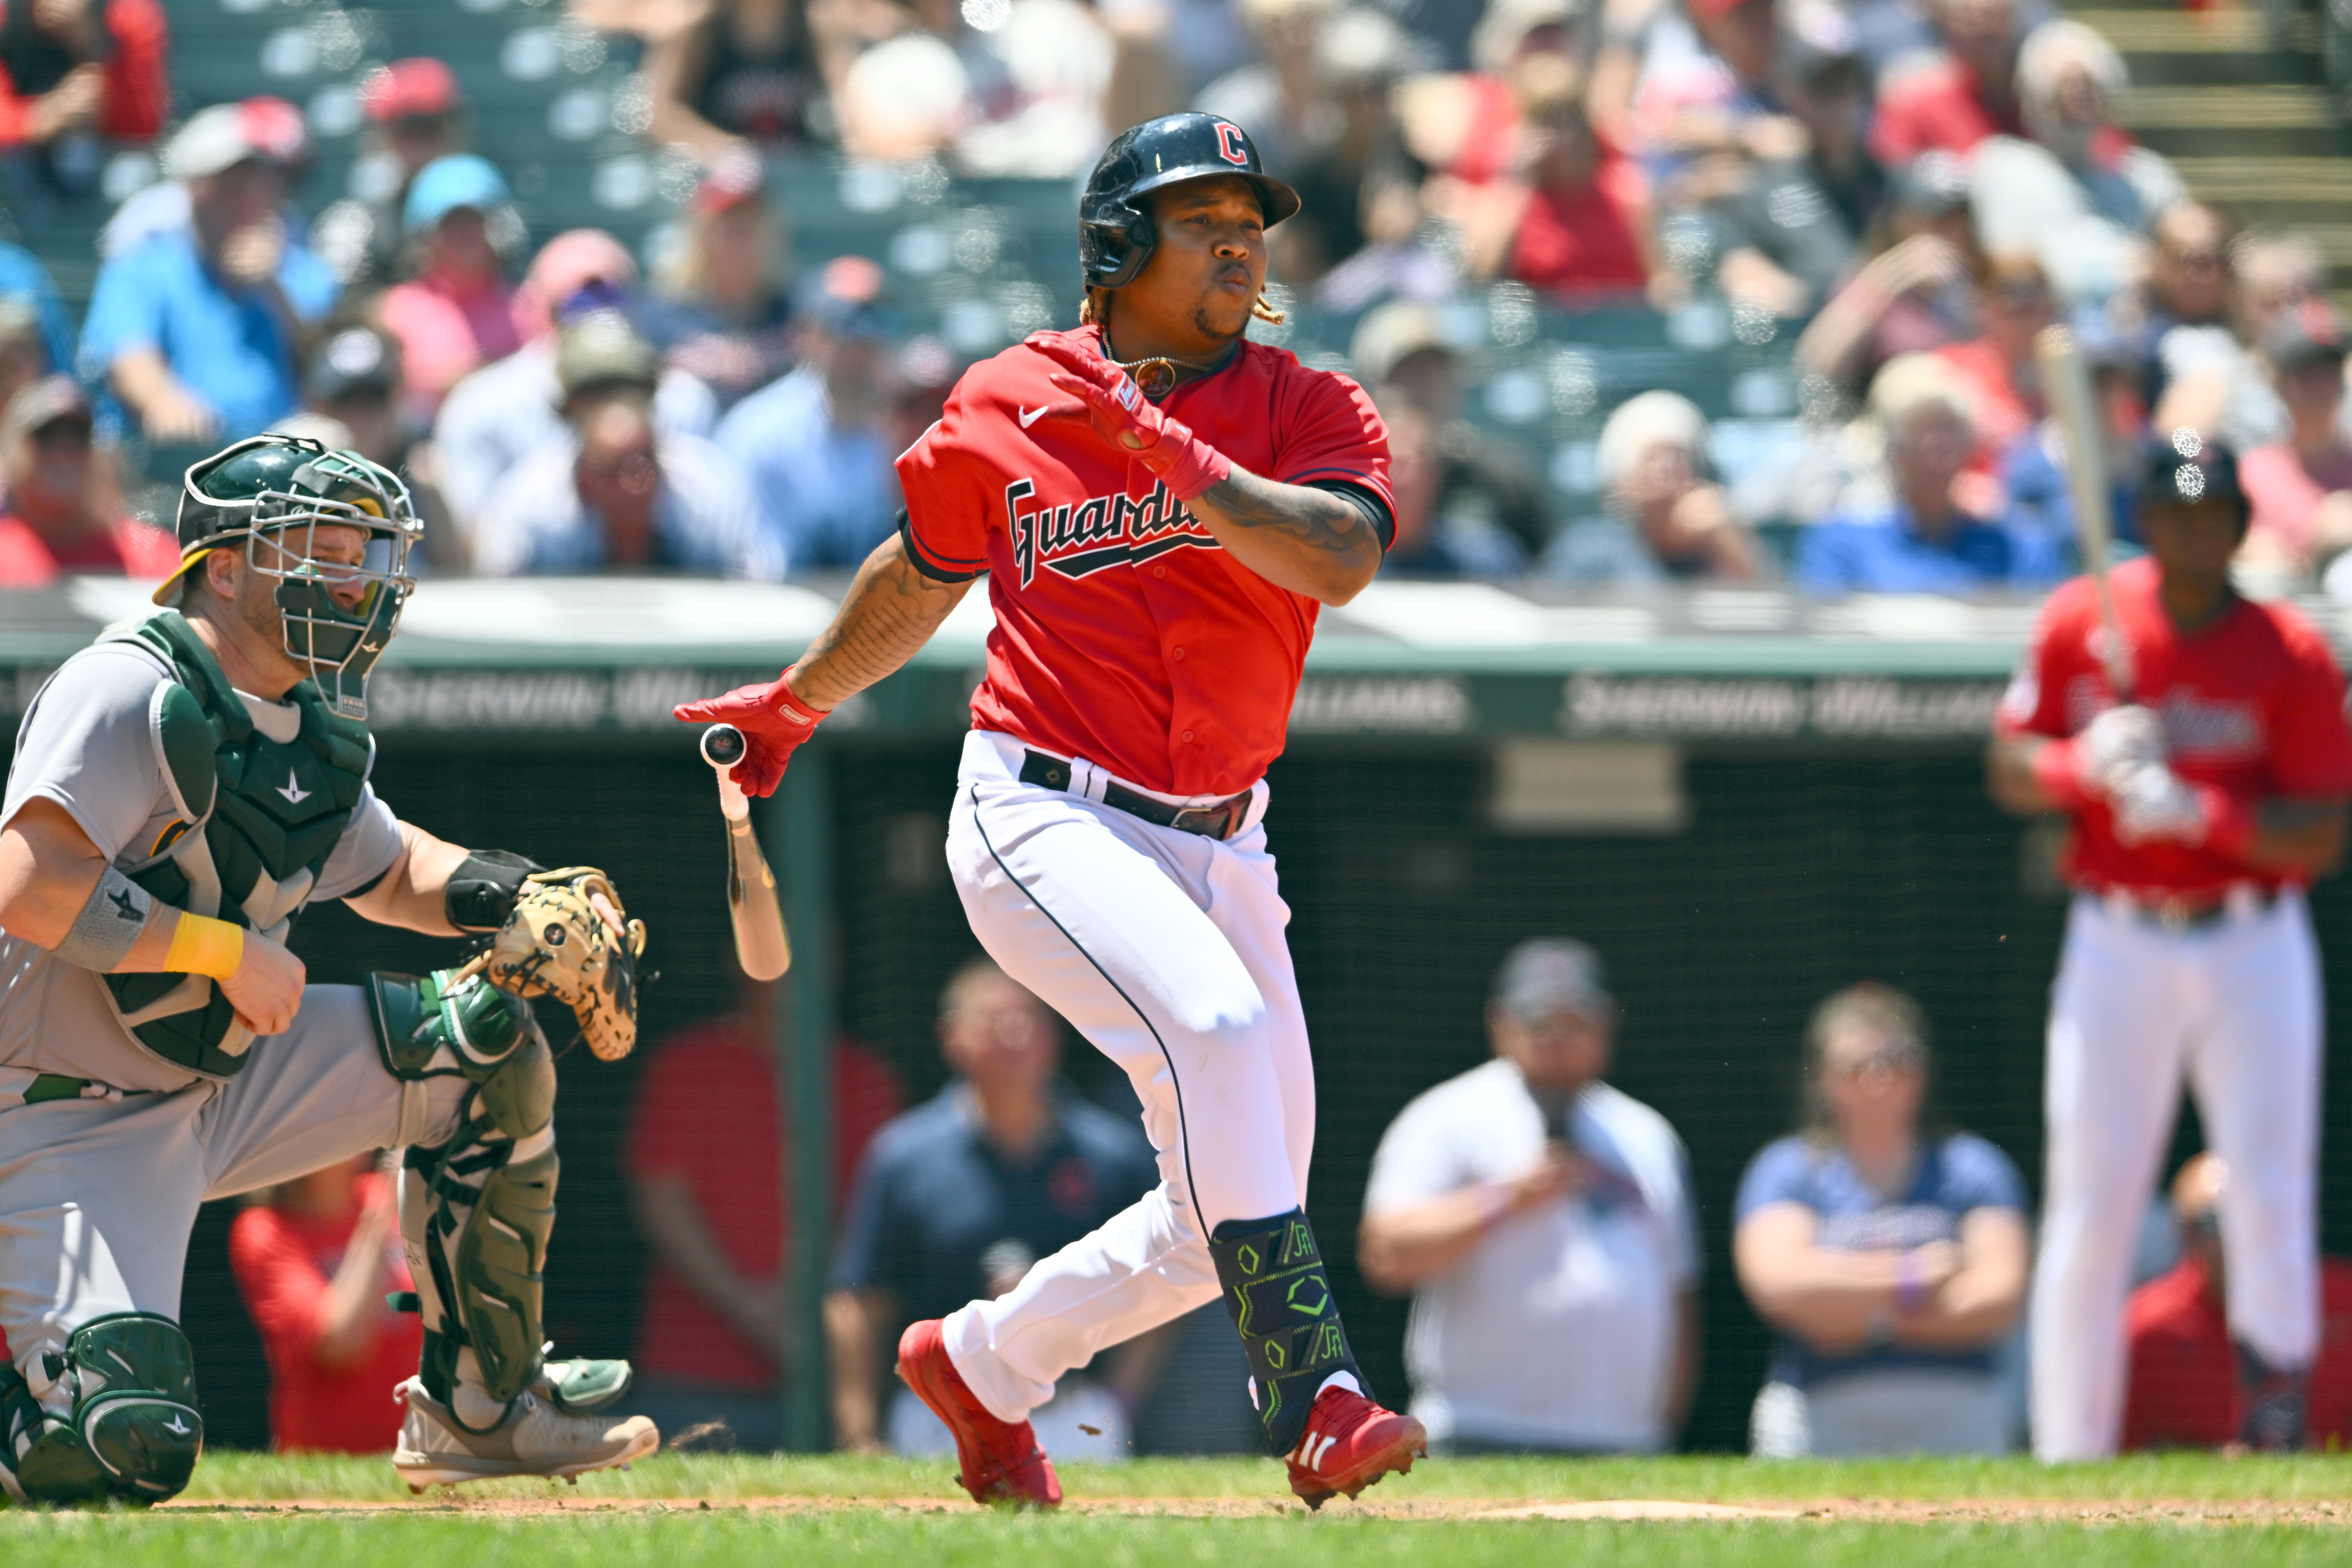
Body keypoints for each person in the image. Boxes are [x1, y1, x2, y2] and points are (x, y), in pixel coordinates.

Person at [676, 112, 1424, 1511]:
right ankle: (1316, 1395)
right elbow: (922, 565)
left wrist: (1168, 452)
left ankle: (981, 1362)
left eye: (1248, 222)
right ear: (1116, 242)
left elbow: (1336, 557)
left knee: (1228, 1207)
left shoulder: (1305, 404)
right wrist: (799, 698)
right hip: (1042, 809)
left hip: (1223, 834)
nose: (1237, 242)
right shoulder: (1013, 394)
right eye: (1201, 218)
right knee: (1214, 1030)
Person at [0, 431, 659, 1504]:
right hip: (60, 1109)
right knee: (120, 1445)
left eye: (363, 551)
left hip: (216, 1074)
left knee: (483, 1047)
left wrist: (518, 893)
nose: (352, 575)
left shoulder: (309, 721)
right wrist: (222, 952)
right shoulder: (128, 683)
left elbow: (391, 867)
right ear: (224, 565)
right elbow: (27, 884)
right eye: (321, 547)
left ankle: (478, 1407)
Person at [1987, 431, 2352, 1458]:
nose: (2198, 531)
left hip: (2254, 938)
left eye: (2215, 514)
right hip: (2118, 935)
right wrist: (2083, 767)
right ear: (2145, 518)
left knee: (2270, 1183)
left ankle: (2276, 1427)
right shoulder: (2080, 620)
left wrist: (2201, 809)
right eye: (2178, 512)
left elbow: (2321, 829)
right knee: (2092, 1195)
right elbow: (2008, 763)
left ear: (2241, 522)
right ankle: (2069, 1448)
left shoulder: (2291, 650)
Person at [1357, 940, 1699, 1455]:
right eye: (1541, 1021)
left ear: (1605, 1025)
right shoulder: (1449, 1115)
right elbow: (1385, 1253)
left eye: (1576, 1021)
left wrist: (1662, 1423)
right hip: (1480, 1432)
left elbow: (1678, 1290)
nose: (1559, 1039)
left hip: (1626, 1441)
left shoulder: (1646, 1133)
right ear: (1500, 1023)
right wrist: (1502, 1199)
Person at [827, 958, 1163, 1459]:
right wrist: (859, 1433)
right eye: (994, 1022)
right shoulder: (904, 1156)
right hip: (937, 1416)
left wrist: (1118, 1398)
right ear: (950, 1038)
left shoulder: (1114, 1154)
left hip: (1075, 1415)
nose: (1015, 1036)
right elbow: (857, 1300)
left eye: (1030, 1020)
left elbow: (1159, 1281)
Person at [1733, 983, 2030, 1457]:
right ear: (1823, 1077)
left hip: (1959, 1415)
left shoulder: (1975, 1166)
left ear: (1923, 1071)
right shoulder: (1787, 1168)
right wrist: (1917, 1276)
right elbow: (1781, 1286)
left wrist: (1855, 1315)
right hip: (1820, 1414)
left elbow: (1999, 1298)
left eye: (1895, 1062)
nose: (1877, 1081)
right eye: (1856, 1067)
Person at [627, 965, 902, 1450]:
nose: (795, 966)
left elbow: (880, 1217)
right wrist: (753, 1307)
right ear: (735, 957)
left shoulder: (865, 1076)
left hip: (831, 1384)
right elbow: (661, 1196)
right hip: (690, 1375)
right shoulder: (687, 1063)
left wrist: (813, 1311)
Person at [80, 100, 338, 450]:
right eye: (229, 184)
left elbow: (328, 364)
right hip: (184, 455)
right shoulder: (145, 264)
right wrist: (162, 399)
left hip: (285, 455)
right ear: (192, 189)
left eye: (259, 183)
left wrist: (273, 288)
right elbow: (128, 355)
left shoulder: (301, 268)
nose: (246, 198)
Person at [432, 228, 717, 543]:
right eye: (578, 302)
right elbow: (474, 541)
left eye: (609, 299)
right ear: (540, 306)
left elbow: (710, 520)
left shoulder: (685, 399)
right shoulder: (481, 405)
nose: (593, 316)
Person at [473, 313, 772, 579]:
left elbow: (758, 586)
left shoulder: (711, 490)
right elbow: (497, 596)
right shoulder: (530, 504)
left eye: (640, 464)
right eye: (614, 469)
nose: (631, 482)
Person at [2123, 1154, 2352, 1451]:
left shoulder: (2344, 1301)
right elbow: (2117, 1457)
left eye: (2253, 1214)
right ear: (2185, 1233)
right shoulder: (2143, 1327)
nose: (2237, 1235)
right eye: (2214, 1221)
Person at [1795, 354, 2060, 592]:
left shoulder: (2017, 546)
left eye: (1948, 432)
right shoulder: (1843, 544)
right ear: (1891, 451)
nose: (1934, 449)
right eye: (1917, 433)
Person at [715, 257, 903, 573]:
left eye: (879, 319)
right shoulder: (757, 430)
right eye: (848, 320)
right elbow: (747, 563)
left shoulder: (912, 428)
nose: (865, 336)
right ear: (807, 333)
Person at [226, 1152, 420, 1453]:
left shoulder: (388, 1191)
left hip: (426, 1450)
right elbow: (340, 1346)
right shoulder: (265, 1229)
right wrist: (377, 1220)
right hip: (336, 1464)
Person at [1548, 390, 1763, 582]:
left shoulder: (1724, 542)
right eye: (1652, 459)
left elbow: (1771, 609)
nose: (1667, 472)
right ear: (1621, 479)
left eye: (1679, 457)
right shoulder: (1589, 551)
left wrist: (1730, 548)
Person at [641, 151, 797, 411]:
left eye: (748, 227)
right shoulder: (661, 314)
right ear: (700, 233)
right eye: (727, 228)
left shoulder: (796, 312)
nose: (738, 241)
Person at [378, 154, 522, 424]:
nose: (465, 233)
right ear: (425, 235)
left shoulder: (525, 310)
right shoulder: (396, 311)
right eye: (451, 224)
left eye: (475, 221)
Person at [0, 376, 177, 585]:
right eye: (46, 437)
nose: (63, 454)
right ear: (11, 453)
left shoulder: (149, 553)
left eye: (77, 437)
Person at [310, 58, 468, 290]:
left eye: (432, 129)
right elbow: (334, 310)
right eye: (409, 131)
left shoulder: (486, 215)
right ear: (384, 138)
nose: (421, 144)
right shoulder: (354, 224)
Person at [0, 0, 168, 190]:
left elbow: (139, 132)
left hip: (101, 157)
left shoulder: (129, 14)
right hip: (20, 164)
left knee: (132, 170)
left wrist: (87, 40)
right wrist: (40, 119)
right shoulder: (5, 16)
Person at [2239, 304, 2352, 580]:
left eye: (2330, 372)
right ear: (2280, 382)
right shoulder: (2254, 472)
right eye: (2308, 375)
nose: (2322, 386)